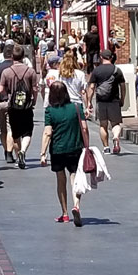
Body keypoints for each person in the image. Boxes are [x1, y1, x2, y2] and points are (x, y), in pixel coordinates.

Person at [40, 81, 89, 226]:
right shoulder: (77, 107)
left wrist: (43, 153)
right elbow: (84, 128)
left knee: (61, 180)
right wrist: (86, 145)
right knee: (75, 178)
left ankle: (65, 213)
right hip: (75, 148)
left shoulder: (50, 111)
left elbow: (48, 133)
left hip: (58, 149)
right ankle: (76, 205)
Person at [0, 45, 39, 168]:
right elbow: (35, 89)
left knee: (15, 133)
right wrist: (34, 101)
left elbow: (1, 90)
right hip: (26, 105)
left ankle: (18, 156)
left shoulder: (7, 72)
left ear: (12, 57)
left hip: (13, 106)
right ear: (23, 56)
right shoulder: (30, 71)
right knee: (27, 132)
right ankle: (23, 151)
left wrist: (8, 95)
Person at [87, 50, 125, 155]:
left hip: (101, 101)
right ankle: (116, 137)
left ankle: (106, 147)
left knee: (103, 125)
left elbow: (91, 87)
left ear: (101, 57)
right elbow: (123, 86)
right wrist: (122, 99)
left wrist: (89, 101)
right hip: (114, 100)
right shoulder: (117, 70)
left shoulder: (97, 71)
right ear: (111, 57)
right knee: (115, 124)